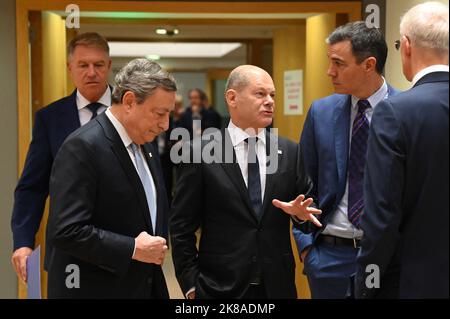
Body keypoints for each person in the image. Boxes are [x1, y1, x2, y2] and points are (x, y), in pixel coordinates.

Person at [170, 65, 321, 299]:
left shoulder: (289, 151)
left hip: (277, 285)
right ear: (232, 98)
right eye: (260, 94)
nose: (270, 101)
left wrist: (299, 215)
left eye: (273, 95)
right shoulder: (199, 152)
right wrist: (191, 286)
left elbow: (310, 213)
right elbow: (181, 227)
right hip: (218, 286)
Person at [46, 58, 177, 298]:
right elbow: (66, 230)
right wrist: (133, 248)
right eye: (160, 113)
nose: (165, 125)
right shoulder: (82, 147)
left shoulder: (146, 145)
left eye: (169, 114)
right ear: (129, 101)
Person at [292, 21, 400, 298]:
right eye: (330, 62)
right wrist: (307, 247)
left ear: (368, 65)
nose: (330, 71)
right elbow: (303, 182)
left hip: (386, 258)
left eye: (339, 63)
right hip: (328, 256)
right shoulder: (321, 112)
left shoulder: (406, 112)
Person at [355, 2, 449, 299]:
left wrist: (367, 284)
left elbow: (381, 215)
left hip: (414, 282)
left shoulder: (395, 112)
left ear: (406, 46)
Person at [10, 32, 112, 282]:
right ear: (69, 68)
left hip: (122, 247)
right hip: (67, 251)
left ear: (109, 66)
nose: (91, 72)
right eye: (83, 65)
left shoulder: (131, 113)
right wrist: (23, 241)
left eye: (98, 65)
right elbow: (32, 187)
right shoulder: (50, 118)